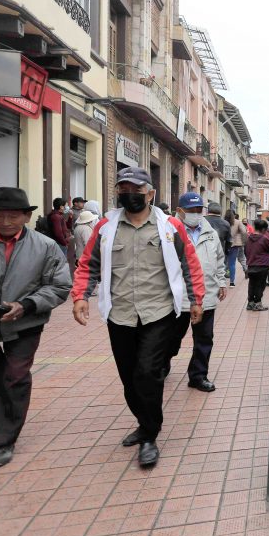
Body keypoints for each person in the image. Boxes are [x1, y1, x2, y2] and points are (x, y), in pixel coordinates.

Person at [72, 167, 205, 467]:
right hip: (118, 314)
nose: (129, 195)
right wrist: (80, 295)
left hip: (158, 313)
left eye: (136, 189)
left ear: (150, 194)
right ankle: (144, 423)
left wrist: (196, 299)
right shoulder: (106, 226)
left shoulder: (170, 226)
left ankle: (150, 436)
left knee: (147, 372)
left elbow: (190, 264)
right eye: (123, 189)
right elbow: (88, 264)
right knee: (129, 378)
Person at [0, 187, 71, 467]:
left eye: (13, 216)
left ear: (26, 217)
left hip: (25, 323)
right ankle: (8, 405)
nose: (6, 222)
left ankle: (3, 440)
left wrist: (27, 305)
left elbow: (59, 285)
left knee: (14, 376)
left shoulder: (45, 247)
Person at [173, 192, 227, 392]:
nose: (196, 214)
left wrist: (222, 281)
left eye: (198, 210)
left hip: (206, 295)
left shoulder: (210, 232)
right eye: (191, 211)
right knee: (171, 340)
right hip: (179, 298)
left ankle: (198, 376)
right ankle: (161, 365)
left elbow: (220, 259)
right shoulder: (171, 231)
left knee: (204, 339)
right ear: (180, 211)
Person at [245, 219, 269, 310]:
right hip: (262, 265)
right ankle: (258, 303)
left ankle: (250, 303)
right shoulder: (265, 239)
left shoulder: (248, 238)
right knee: (260, 284)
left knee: (252, 284)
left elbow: (245, 251)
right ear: (263, 229)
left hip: (251, 264)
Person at [226, 209, 248, 286]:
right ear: (234, 215)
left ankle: (220, 281)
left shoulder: (223, 221)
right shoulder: (238, 222)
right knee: (233, 263)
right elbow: (244, 232)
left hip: (224, 245)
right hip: (235, 245)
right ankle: (232, 282)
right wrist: (245, 242)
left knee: (223, 263)